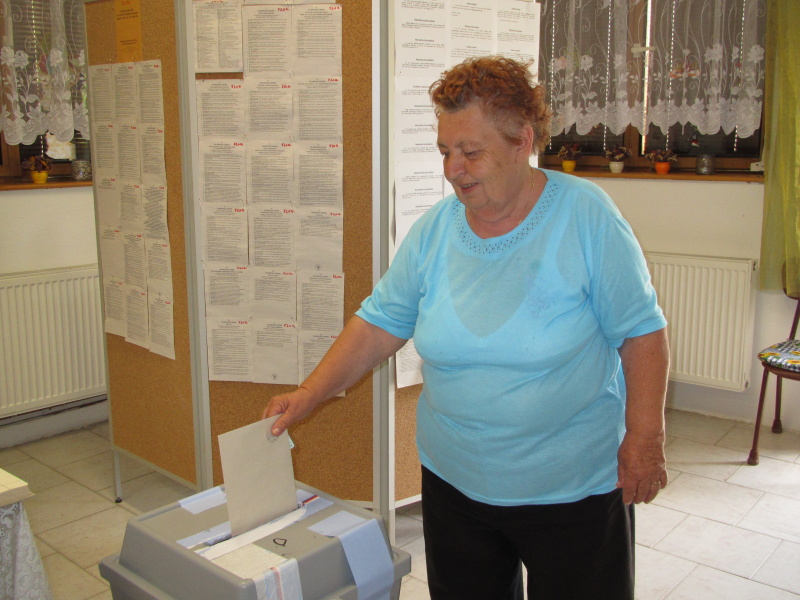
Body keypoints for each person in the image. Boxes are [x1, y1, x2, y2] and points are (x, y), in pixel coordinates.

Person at [264, 56, 669, 599]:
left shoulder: (586, 217)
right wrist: (310, 393)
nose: (453, 169)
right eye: (445, 151)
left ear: (522, 141)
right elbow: (380, 323)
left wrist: (644, 439)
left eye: (471, 152)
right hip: (455, 486)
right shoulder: (436, 230)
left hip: (570, 492)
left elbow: (641, 334)